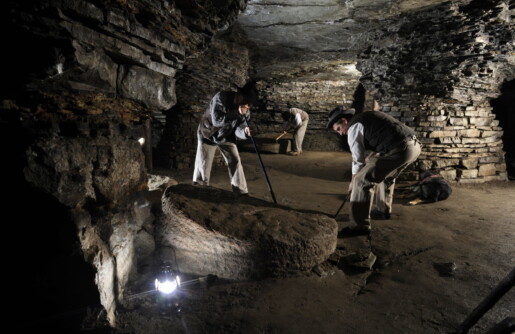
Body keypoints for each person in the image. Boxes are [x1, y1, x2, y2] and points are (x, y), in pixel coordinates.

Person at [327, 106, 421, 234]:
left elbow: (357, 161)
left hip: (400, 149)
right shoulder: (367, 117)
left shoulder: (354, 127)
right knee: (386, 176)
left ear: (344, 121)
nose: (341, 133)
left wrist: (353, 181)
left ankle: (360, 226)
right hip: (414, 147)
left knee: (361, 180)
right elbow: (382, 136)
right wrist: (370, 157)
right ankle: (383, 211)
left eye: (339, 129)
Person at [193, 82, 258, 195]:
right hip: (208, 133)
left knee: (235, 160)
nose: (247, 106)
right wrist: (236, 113)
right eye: (246, 101)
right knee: (203, 165)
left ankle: (241, 192)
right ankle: (199, 190)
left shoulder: (246, 111)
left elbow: (239, 129)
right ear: (239, 95)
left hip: (226, 136)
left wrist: (245, 132)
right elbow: (217, 121)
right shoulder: (221, 97)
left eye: (249, 103)